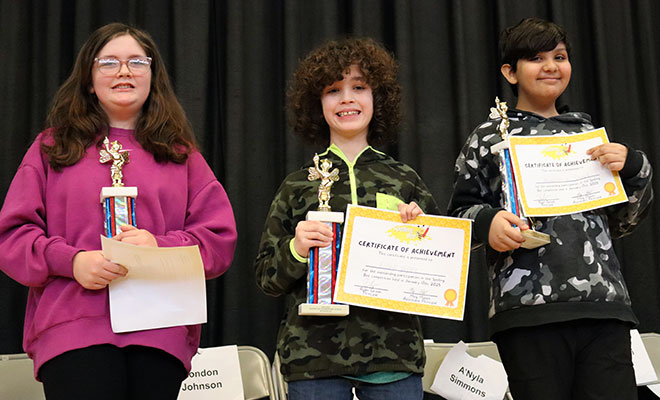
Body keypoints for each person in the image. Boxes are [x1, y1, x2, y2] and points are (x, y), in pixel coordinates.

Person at [0, 23, 237, 400]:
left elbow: (218, 240)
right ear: (89, 80)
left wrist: (159, 246)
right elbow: (13, 236)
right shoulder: (51, 149)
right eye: (109, 61)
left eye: (136, 62)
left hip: (160, 330)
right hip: (72, 329)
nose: (124, 71)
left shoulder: (182, 156)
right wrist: (72, 261)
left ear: (152, 78)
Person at [448, 17, 653, 400]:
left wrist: (635, 169)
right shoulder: (490, 137)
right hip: (527, 311)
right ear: (510, 72)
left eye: (559, 56)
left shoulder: (589, 135)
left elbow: (624, 222)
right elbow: (457, 218)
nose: (550, 66)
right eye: (535, 58)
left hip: (604, 307)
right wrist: (489, 223)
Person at [254, 38, 440, 399]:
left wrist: (422, 234)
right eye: (332, 90)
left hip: (394, 357)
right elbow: (265, 277)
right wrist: (296, 248)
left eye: (359, 87)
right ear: (316, 104)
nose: (347, 99)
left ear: (378, 98)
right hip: (313, 361)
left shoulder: (404, 179)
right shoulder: (296, 184)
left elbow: (441, 270)